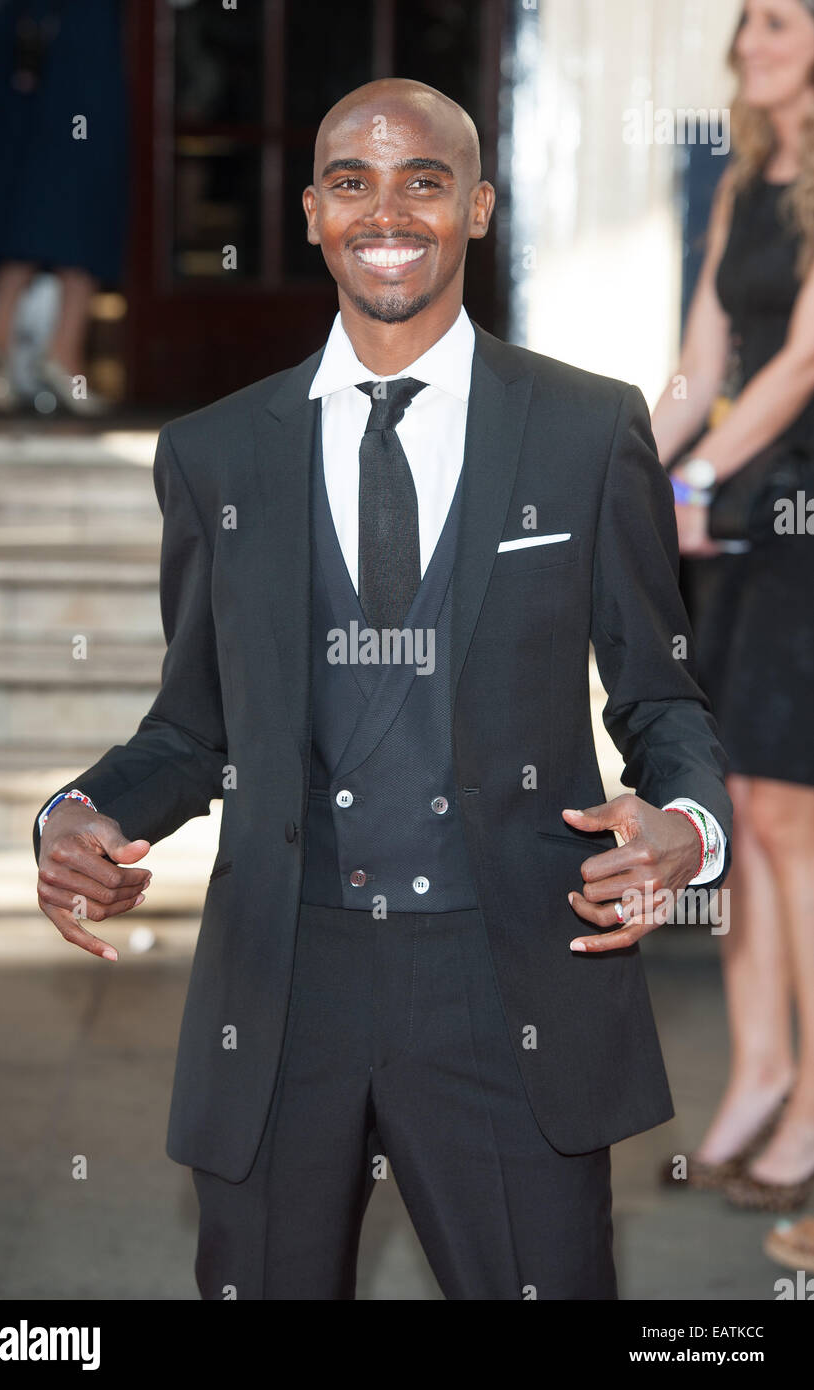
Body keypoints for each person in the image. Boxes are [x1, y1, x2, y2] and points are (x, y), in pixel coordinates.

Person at [32, 78, 731, 1301]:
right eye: (352, 182)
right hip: (283, 987)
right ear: (310, 213)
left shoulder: (583, 430)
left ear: (477, 206)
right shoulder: (215, 453)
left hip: (506, 976)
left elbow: (661, 700)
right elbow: (195, 726)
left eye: (424, 180)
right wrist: (80, 812)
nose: (386, 210)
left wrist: (687, 825)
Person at [651, 0, 814, 1212]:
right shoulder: (744, 177)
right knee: (743, 803)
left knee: (790, 814)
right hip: (741, 515)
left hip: (798, 507)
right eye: (747, 23)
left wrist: (696, 477)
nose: (750, 44)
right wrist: (621, 473)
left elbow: (804, 360)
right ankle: (759, 1068)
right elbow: (700, 369)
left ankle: (812, 1098)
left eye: (779, 23)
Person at [0, 0, 128, 414]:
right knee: (38, 206)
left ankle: (56, 356)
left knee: (84, 206)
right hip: (48, 49)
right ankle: (0, 353)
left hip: (85, 49)